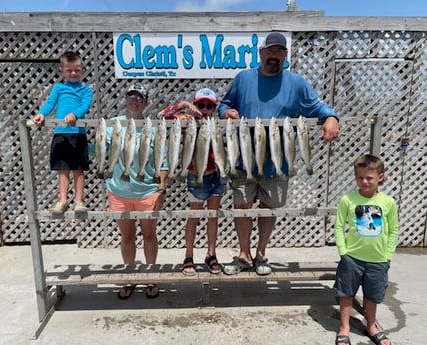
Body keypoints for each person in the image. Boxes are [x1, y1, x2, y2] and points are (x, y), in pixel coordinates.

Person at [218, 32, 340, 275]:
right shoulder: (243, 78)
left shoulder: (297, 83)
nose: (274, 56)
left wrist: (332, 117)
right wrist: (226, 113)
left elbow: (317, 106)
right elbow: (224, 103)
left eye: (279, 52)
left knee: (268, 208)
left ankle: (261, 254)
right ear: (261, 53)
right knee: (242, 207)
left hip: (278, 162)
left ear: (286, 56)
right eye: (270, 51)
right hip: (243, 160)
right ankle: (243, 254)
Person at [106, 83, 167, 299]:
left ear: (146, 102)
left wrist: (161, 189)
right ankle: (130, 274)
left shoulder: (154, 126)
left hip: (147, 191)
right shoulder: (114, 125)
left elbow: (164, 160)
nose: (134, 101)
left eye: (139, 98)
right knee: (127, 236)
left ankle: (150, 275)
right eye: (130, 96)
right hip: (118, 190)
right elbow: (100, 150)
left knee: (149, 235)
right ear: (125, 99)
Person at [334, 154, 398, 345]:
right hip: (352, 258)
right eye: (360, 177)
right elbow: (339, 226)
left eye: (369, 177)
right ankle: (344, 327)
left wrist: (387, 256)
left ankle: (371, 325)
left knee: (372, 295)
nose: (364, 181)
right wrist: (343, 252)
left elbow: (393, 230)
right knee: (346, 294)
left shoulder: (388, 203)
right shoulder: (348, 200)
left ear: (380, 177)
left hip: (378, 260)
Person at [160, 88, 224, 276]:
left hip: (216, 175)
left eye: (209, 106)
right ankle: (189, 255)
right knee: (193, 217)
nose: (204, 109)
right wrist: (183, 106)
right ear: (195, 105)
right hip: (196, 176)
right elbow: (162, 116)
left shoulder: (218, 124)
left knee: (213, 217)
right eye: (200, 105)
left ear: (214, 108)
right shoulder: (186, 122)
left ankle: (211, 254)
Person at [33, 51, 93, 213]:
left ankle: (79, 201)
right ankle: (63, 200)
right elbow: (50, 103)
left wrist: (75, 115)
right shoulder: (58, 88)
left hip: (78, 134)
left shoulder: (86, 89)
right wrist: (41, 114)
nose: (73, 73)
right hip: (60, 133)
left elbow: (85, 106)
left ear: (83, 70)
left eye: (77, 70)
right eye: (69, 70)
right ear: (62, 71)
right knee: (63, 168)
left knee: (78, 169)